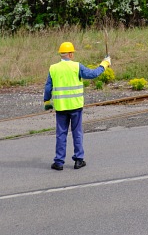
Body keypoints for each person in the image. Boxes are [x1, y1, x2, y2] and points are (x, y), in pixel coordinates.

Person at [43, 41, 111, 170]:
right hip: (75, 106)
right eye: (72, 53)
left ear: (61, 54)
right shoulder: (77, 67)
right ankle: (79, 160)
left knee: (61, 134)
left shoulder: (53, 68)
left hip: (61, 107)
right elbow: (93, 74)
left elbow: (48, 87)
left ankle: (59, 162)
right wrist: (105, 64)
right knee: (77, 132)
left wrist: (47, 102)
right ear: (70, 54)